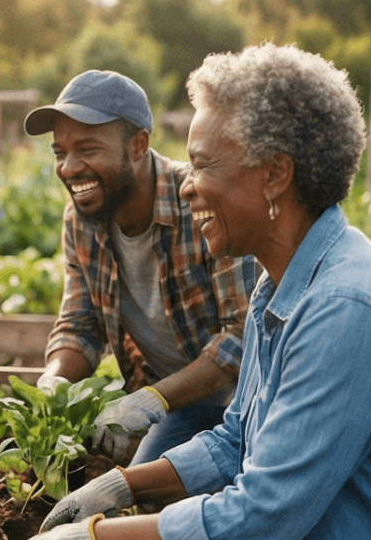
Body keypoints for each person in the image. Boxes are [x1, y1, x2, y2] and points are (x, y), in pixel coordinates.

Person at [7, 45, 371, 540]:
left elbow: (258, 519)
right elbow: (235, 439)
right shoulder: (279, 285)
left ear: (274, 175)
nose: (188, 184)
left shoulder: (344, 308)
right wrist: (118, 486)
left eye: (202, 164)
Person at [26, 70, 250, 464]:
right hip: (169, 403)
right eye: (60, 152)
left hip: (241, 401)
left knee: (150, 485)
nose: (69, 167)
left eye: (88, 149)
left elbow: (241, 338)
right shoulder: (82, 220)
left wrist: (152, 400)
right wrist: (54, 384)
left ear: (137, 146)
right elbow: (80, 324)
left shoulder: (201, 202)